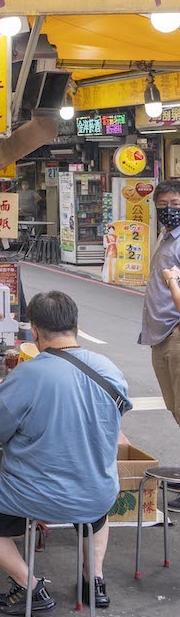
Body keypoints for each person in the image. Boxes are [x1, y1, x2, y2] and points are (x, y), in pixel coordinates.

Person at [0, 290, 131, 616]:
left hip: (37, 494)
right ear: (76, 325)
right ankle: (94, 580)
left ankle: (29, 585)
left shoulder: (30, 373)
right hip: (97, 492)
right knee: (95, 504)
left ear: (34, 332)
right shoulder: (109, 369)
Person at [141, 180, 180, 478]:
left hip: (176, 332)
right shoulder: (165, 237)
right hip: (161, 335)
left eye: (176, 204)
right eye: (163, 205)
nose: (170, 210)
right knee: (176, 410)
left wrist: (170, 281)